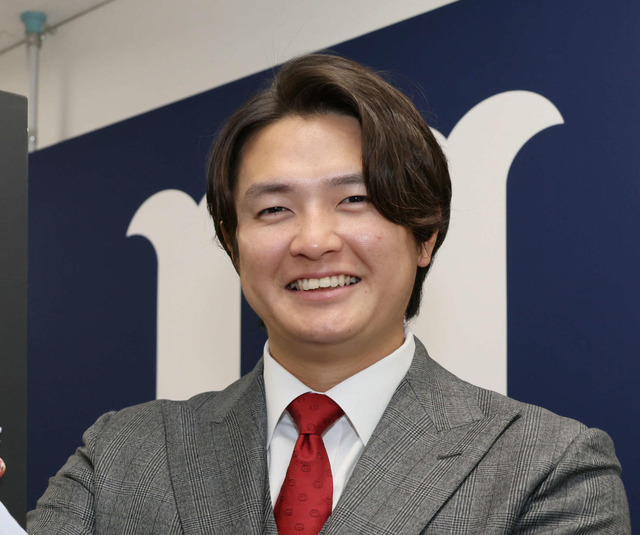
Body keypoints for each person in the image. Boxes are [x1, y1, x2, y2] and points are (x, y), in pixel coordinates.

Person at [27, 53, 630, 534]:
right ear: (232, 243)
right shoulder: (121, 454)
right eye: (273, 209)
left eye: (354, 199)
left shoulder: (548, 469)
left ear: (425, 235)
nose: (314, 241)